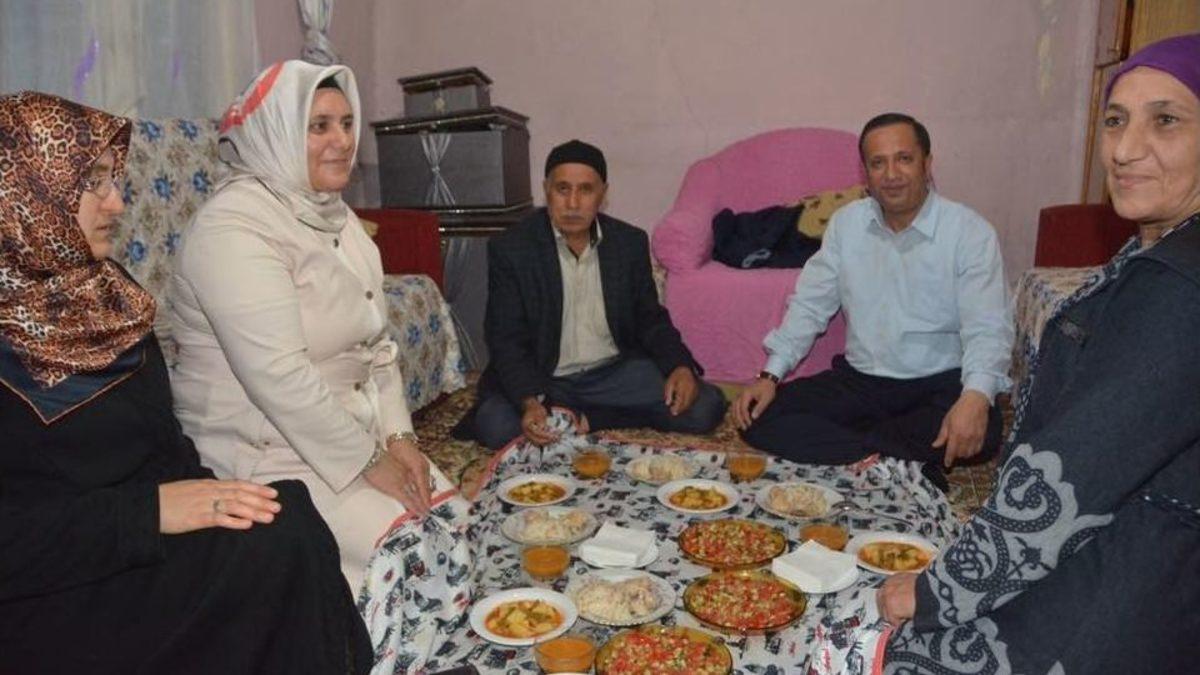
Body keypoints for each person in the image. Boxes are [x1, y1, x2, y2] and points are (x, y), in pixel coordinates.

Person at [0, 92, 371, 673]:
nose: (117, 202)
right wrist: (146, 514)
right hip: (59, 587)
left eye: (113, 179)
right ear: (26, 191)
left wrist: (208, 494)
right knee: (272, 551)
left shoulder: (106, 293)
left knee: (285, 515)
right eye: (92, 182)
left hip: (138, 534)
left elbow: (160, 434)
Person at [878, 34, 1200, 674]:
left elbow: (1070, 478)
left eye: (1166, 121)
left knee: (886, 648)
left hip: (1132, 588)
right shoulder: (1158, 251)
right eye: (1115, 121)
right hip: (1136, 545)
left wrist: (937, 592)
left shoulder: (1178, 287)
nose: (1125, 150)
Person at [167, 61, 456, 592]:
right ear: (275, 133)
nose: (342, 141)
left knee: (454, 527)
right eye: (318, 126)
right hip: (266, 451)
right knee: (415, 563)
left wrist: (400, 439)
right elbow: (279, 378)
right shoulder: (232, 228)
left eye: (346, 123)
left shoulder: (338, 218)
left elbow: (378, 348)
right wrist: (371, 462)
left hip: (350, 436)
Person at [733, 113, 1012, 488]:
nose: (891, 174)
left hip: (938, 386)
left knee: (984, 431)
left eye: (904, 159)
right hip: (861, 384)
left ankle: (866, 447)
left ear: (927, 164)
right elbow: (810, 305)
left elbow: (989, 329)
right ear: (865, 173)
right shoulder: (846, 225)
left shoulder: (969, 233)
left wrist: (975, 398)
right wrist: (770, 375)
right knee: (759, 417)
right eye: (878, 163)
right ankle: (899, 455)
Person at [469, 139, 727, 450]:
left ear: (603, 194)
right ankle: (567, 412)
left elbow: (650, 319)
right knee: (495, 425)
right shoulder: (512, 248)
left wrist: (679, 366)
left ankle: (593, 417)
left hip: (611, 376)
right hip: (544, 376)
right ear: (546, 190)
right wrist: (529, 401)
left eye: (586, 190)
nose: (573, 203)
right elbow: (505, 336)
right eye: (562, 189)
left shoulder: (628, 243)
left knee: (704, 407)